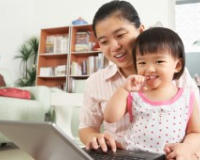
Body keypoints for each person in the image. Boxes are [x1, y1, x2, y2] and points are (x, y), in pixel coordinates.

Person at [78, 0, 200, 159]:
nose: (114, 46)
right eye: (104, 41)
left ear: (141, 30)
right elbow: (87, 128)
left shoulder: (176, 75)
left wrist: (187, 148)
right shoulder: (96, 82)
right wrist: (94, 138)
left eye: (120, 35)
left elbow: (196, 130)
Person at [104, 26, 200, 159]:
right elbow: (110, 117)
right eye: (142, 62)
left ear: (177, 65)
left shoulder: (187, 96)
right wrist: (123, 89)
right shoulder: (135, 94)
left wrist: (186, 148)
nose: (149, 69)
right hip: (134, 156)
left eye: (159, 61)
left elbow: (196, 132)